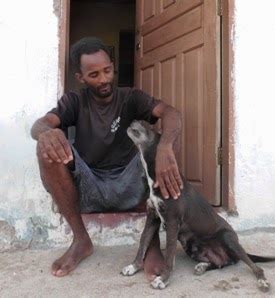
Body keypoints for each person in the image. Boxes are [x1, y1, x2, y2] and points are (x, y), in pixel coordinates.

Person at [31, 37, 183, 279]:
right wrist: (46, 133)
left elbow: (170, 113)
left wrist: (166, 146)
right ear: (81, 78)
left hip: (130, 183)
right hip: (89, 186)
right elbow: (39, 125)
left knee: (165, 141)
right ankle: (81, 240)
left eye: (107, 71)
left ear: (113, 67)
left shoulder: (130, 97)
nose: (103, 79)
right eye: (94, 75)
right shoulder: (74, 101)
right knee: (46, 147)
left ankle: (152, 244)